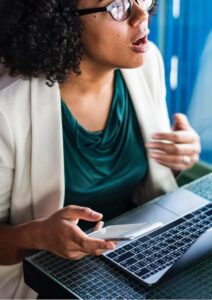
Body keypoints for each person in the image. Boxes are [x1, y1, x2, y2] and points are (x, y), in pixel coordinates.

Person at [0, 0, 200, 298]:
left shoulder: (146, 63)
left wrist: (179, 157)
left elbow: (146, 180)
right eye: (117, 6)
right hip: (46, 283)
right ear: (60, 21)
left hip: (134, 259)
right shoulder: (7, 109)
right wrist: (39, 235)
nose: (142, 14)